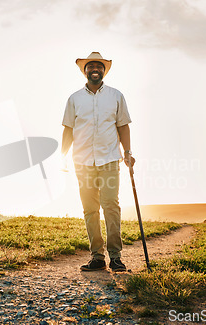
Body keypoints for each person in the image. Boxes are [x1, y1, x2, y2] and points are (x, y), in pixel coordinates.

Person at [61, 52, 135, 272]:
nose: (95, 69)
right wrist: (62, 155)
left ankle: (115, 256)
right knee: (89, 209)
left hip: (110, 159)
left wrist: (128, 152)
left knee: (111, 205)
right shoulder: (74, 98)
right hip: (82, 162)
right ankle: (97, 257)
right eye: (90, 66)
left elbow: (123, 125)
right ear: (85, 71)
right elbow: (68, 129)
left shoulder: (116, 96)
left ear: (104, 71)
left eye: (99, 66)